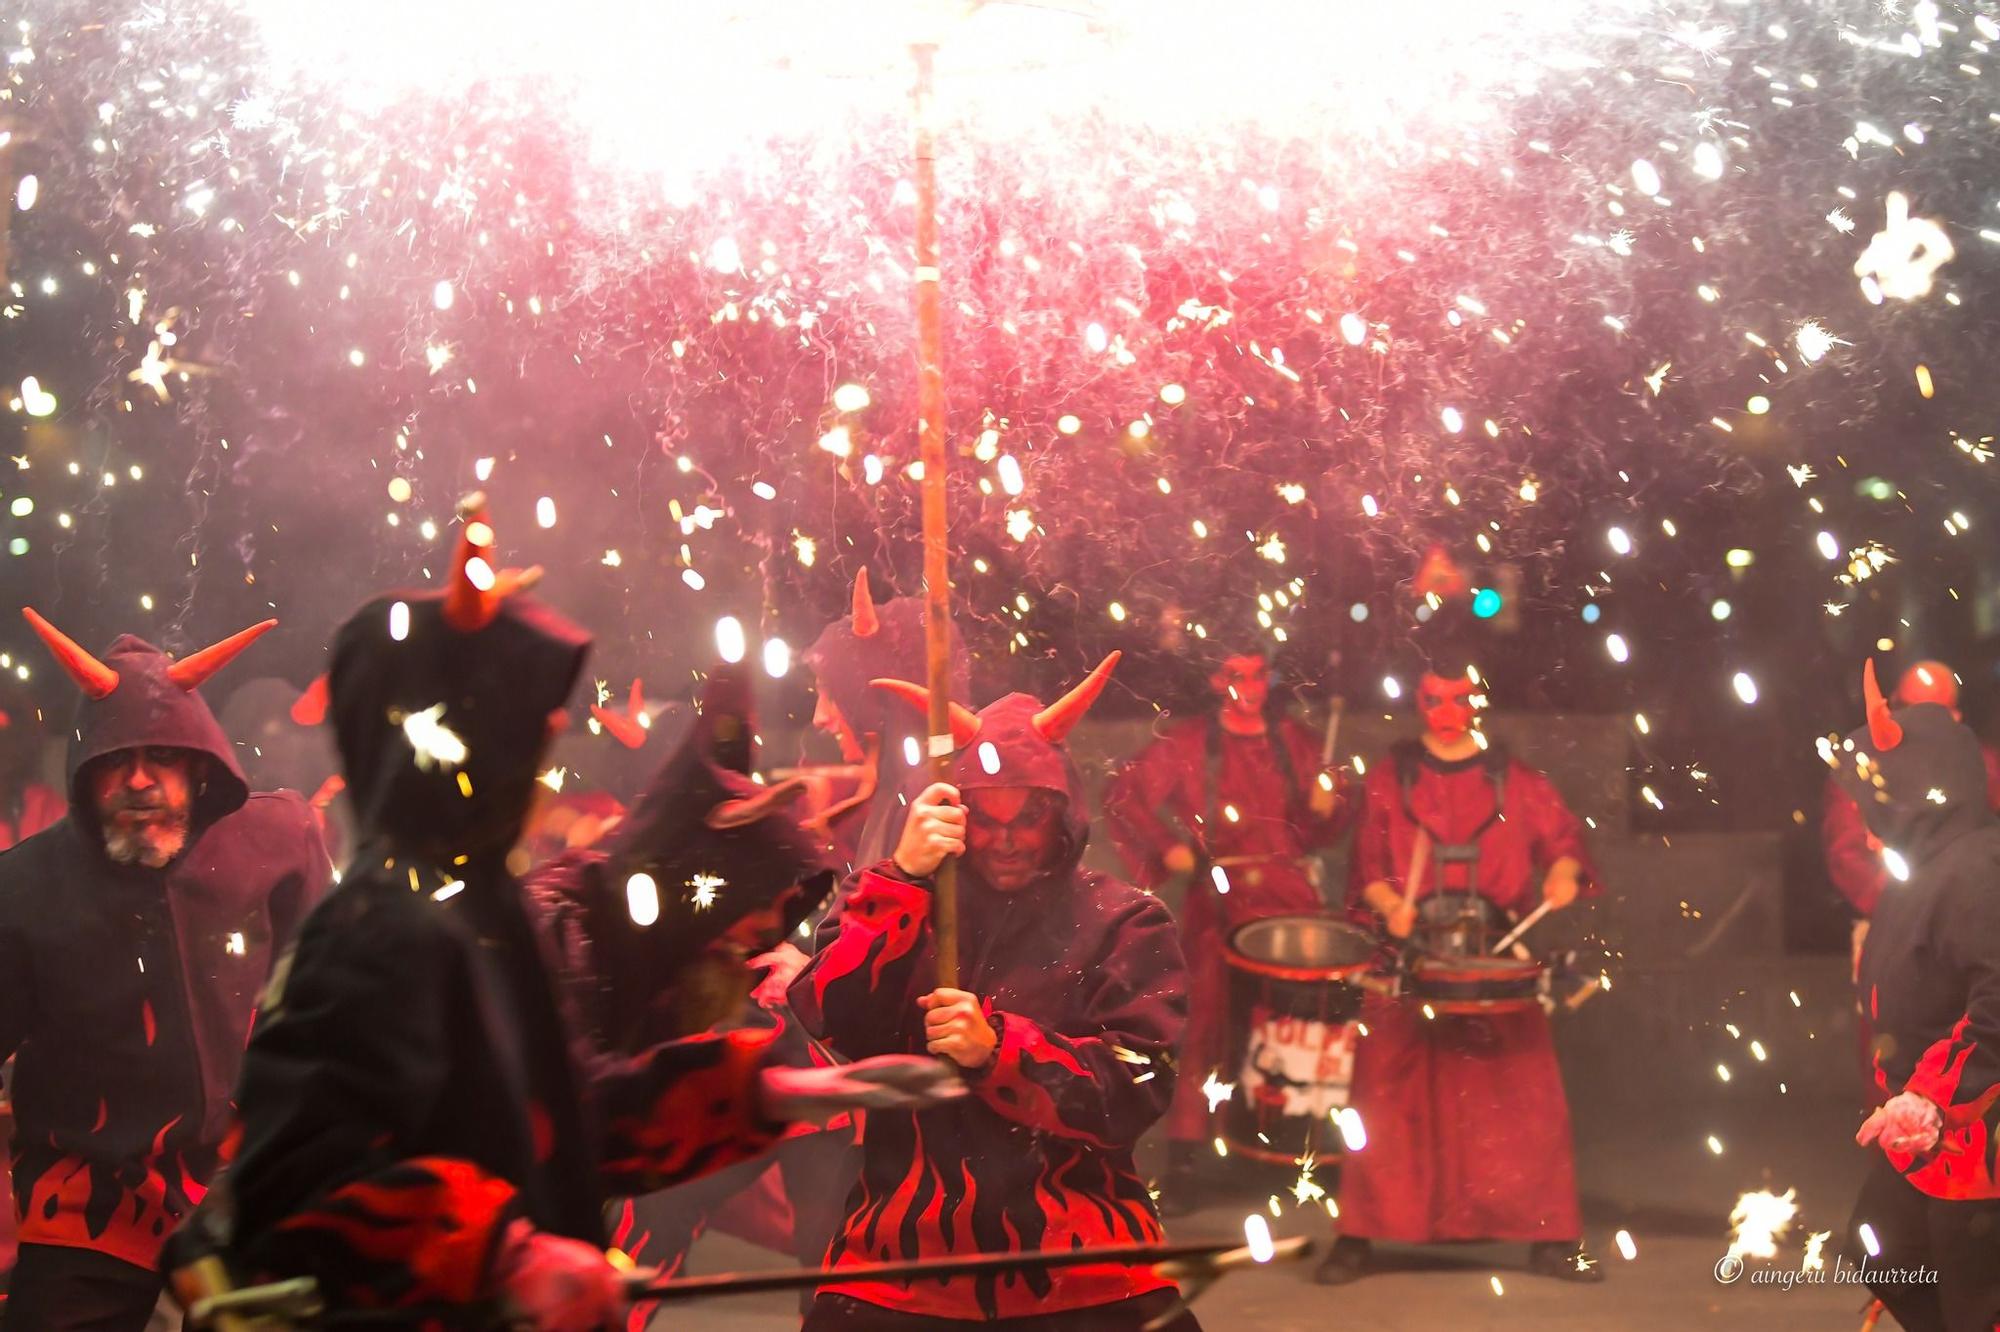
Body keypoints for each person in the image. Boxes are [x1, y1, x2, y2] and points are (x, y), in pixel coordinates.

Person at [171, 501, 955, 1329]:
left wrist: (773, 1091)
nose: (543, 759)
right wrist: (510, 1257)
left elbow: (561, 1118)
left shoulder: (486, 912)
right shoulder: (385, 923)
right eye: (528, 733)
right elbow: (308, 1186)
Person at [791, 653, 1202, 1331]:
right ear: (955, 813)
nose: (1006, 842)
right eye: (987, 819)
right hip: (902, 1252)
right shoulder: (900, 899)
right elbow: (832, 1018)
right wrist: (903, 876)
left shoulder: (1124, 920)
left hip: (1083, 1254)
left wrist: (1000, 1050)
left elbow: (1136, 1089)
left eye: (1028, 820)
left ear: (1062, 817)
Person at [0, 608, 329, 1329]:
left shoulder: (279, 840)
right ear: (86, 775)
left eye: (162, 757)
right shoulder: (24, 888)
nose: (141, 781)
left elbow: (331, 1008)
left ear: (200, 763)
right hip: (85, 1209)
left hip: (243, 1193)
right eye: (118, 761)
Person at [1319, 652, 1602, 1285]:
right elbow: (1367, 870)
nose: (1448, 715)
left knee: (1525, 1099)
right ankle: (1360, 1232)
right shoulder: (1390, 779)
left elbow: (1564, 845)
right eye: (1434, 701)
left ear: (1479, 699)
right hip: (1413, 953)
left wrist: (1561, 873)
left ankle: (1550, 1236)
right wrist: (1390, 904)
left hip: (1496, 954)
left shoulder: (1519, 781)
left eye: (1460, 699)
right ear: (1418, 703)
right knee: (1384, 1097)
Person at [1103, 651, 1352, 1208]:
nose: (1249, 688)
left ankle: (1299, 1154)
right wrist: (1170, 848)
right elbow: (1125, 793)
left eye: (1258, 675)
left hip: (1288, 896)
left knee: (1295, 1023)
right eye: (1235, 676)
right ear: (1217, 680)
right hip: (1219, 898)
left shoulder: (1296, 741)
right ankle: (1189, 1157)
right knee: (1206, 1020)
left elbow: (1320, 826)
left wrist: (1327, 802)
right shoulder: (1189, 743)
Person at [1843, 661, 2000, 1332]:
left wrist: (1933, 1095)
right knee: (1881, 1249)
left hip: (1976, 1130)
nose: (1868, 820)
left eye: (1879, 800)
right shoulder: (1926, 865)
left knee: (1974, 1299)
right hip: (1927, 1129)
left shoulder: (1974, 869)